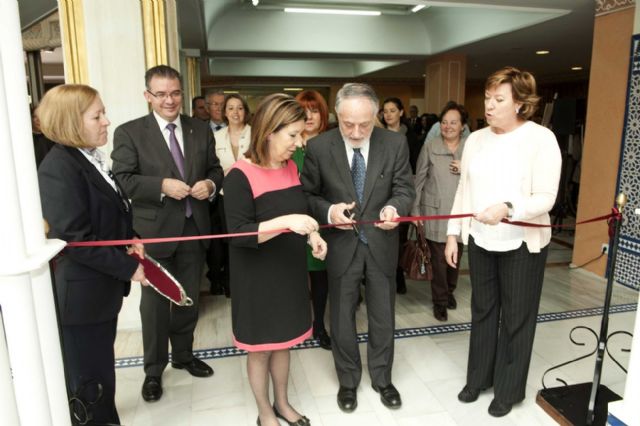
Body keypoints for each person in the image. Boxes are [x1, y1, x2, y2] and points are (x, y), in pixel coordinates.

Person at [445, 66, 561, 417]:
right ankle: (477, 378)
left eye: (499, 99)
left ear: (521, 104)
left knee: (516, 317)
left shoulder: (541, 139)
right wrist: (453, 234)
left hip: (523, 244)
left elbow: (547, 196)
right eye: (487, 98)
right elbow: (464, 189)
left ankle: (508, 390)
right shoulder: (476, 139)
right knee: (482, 311)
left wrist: (509, 208)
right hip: (481, 239)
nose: (489, 106)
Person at [111, 65, 224, 403]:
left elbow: (215, 168)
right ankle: (153, 371)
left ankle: (184, 356)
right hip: (155, 233)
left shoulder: (199, 129)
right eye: (160, 94)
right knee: (156, 307)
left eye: (175, 92)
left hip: (194, 228)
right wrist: (160, 185)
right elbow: (123, 179)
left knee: (188, 299)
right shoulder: (129, 132)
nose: (169, 100)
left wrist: (210, 184)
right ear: (148, 96)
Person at [37, 84, 147, 425]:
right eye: (96, 115)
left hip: (99, 292)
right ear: (71, 121)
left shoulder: (86, 158)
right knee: (90, 383)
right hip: (82, 299)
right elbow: (74, 239)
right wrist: (129, 268)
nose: (106, 121)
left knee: (100, 371)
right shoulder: (59, 167)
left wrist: (132, 238)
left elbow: (108, 215)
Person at [301, 83, 415, 412]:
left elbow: (404, 188)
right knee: (341, 316)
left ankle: (382, 378)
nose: (355, 131)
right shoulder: (320, 147)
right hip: (341, 245)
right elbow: (308, 194)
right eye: (348, 123)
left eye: (364, 124)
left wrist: (396, 207)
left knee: (383, 316)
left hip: (381, 243)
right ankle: (348, 381)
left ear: (376, 116)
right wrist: (328, 211)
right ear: (337, 115)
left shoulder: (394, 143)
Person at [224, 93, 327, 426]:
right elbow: (239, 233)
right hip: (256, 276)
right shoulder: (239, 175)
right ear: (269, 131)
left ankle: (282, 403)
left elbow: (300, 214)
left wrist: (313, 236)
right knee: (261, 348)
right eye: (292, 135)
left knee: (284, 342)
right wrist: (286, 224)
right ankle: (265, 411)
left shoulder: (291, 167)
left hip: (288, 271)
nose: (298, 144)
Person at [412, 101, 468, 322]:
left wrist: (467, 167)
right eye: (444, 122)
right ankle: (440, 301)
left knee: (456, 257)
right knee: (438, 260)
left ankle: (450, 291)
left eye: (453, 122)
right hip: (434, 210)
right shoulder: (431, 145)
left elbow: (485, 176)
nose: (448, 126)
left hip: (461, 211)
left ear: (462, 125)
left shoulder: (471, 147)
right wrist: (415, 210)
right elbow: (419, 178)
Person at [293, 89, 331, 350]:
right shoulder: (288, 145)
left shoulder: (332, 144)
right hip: (293, 220)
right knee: (293, 276)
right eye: (304, 110)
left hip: (323, 219)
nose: (309, 116)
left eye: (315, 110)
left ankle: (319, 326)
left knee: (320, 277)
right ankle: (295, 326)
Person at [207, 93, 252, 295]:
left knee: (247, 240)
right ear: (224, 112)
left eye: (240, 108)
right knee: (227, 243)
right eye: (231, 108)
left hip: (251, 195)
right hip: (224, 196)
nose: (235, 112)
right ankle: (230, 283)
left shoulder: (255, 133)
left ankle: (248, 282)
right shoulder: (215, 137)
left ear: (246, 111)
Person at [381, 97, 420, 296]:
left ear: (401, 112)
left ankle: (398, 275)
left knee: (399, 239)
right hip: (380, 195)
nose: (388, 114)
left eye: (392, 110)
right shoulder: (376, 136)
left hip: (402, 194)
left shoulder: (411, 137)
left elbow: (415, 170)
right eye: (385, 111)